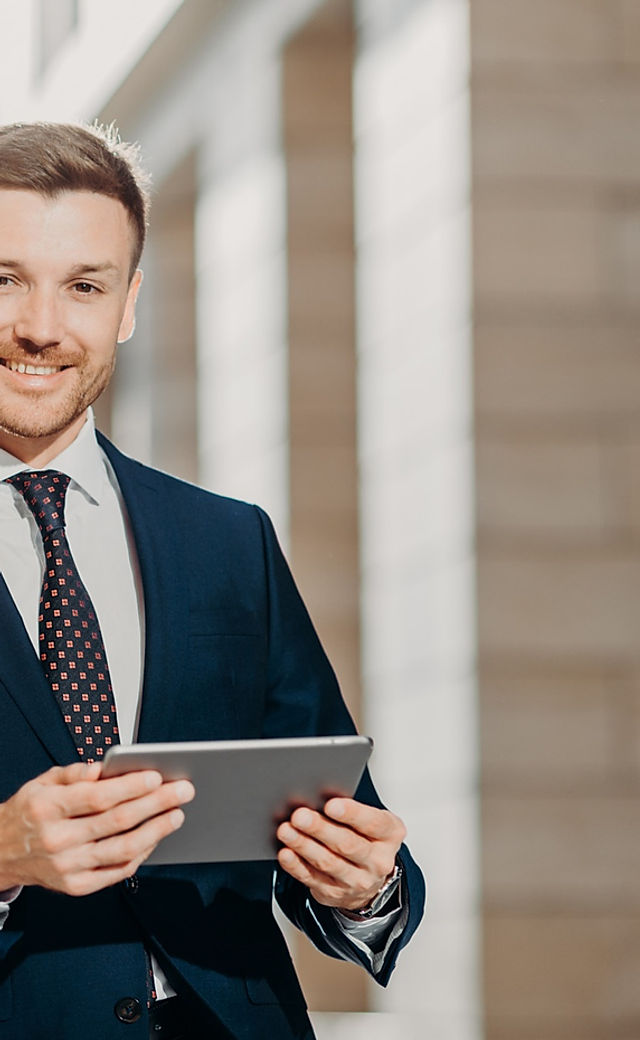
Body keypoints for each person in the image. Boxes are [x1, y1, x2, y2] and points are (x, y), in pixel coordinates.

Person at [0, 122, 425, 1040]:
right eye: (4, 279)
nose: (39, 326)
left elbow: (342, 818)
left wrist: (364, 886)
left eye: (84, 286)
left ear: (128, 303)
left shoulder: (230, 544)